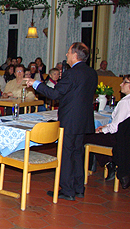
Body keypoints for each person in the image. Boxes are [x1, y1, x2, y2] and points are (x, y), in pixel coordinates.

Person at [26, 42, 98, 201]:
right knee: (78, 153)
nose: (66, 55)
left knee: (66, 154)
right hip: (84, 118)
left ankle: (67, 190)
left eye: (68, 52)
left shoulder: (72, 73)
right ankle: (79, 188)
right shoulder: (92, 73)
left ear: (75, 55)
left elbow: (55, 94)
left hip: (71, 119)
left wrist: (35, 83)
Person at [85, 75, 130, 180]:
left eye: (124, 82)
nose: (121, 84)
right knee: (97, 134)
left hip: (121, 140)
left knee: (87, 136)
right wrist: (105, 127)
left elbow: (115, 128)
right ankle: (108, 162)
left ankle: (106, 163)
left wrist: (102, 130)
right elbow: (125, 123)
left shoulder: (126, 102)